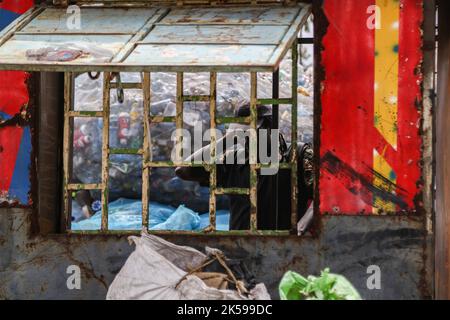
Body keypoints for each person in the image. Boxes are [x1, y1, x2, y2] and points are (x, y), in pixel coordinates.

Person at [175, 104, 314, 231]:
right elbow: (184, 170)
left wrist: (301, 228)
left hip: (282, 245)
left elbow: (322, 196)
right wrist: (227, 140)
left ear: (271, 127)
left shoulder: (298, 154)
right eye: (245, 133)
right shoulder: (233, 160)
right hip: (241, 245)